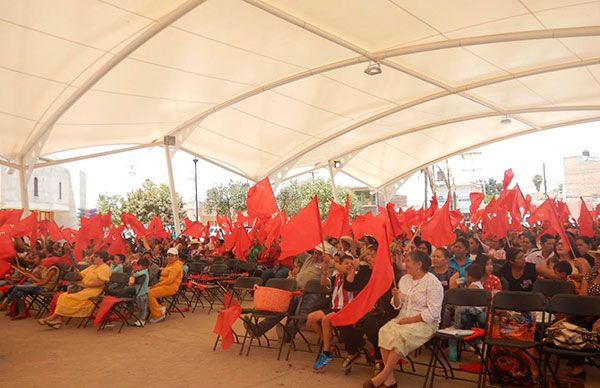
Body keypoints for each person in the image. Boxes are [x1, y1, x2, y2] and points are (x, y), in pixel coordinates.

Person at [364, 251, 444, 388]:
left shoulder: (433, 283)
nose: (405, 264)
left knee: (399, 337)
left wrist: (410, 320)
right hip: (403, 317)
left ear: (419, 264)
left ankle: (382, 376)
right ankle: (390, 381)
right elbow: (398, 305)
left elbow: (433, 313)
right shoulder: (404, 279)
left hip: (424, 322)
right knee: (384, 331)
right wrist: (396, 296)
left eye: (408, 261)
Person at [38, 251, 111, 329]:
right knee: (63, 296)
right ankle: (58, 319)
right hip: (84, 289)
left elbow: (101, 283)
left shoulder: (105, 268)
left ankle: (53, 318)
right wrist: (77, 273)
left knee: (68, 297)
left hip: (93, 291)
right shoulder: (92, 267)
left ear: (102, 258)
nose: (93, 258)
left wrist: (85, 285)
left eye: (96, 256)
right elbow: (80, 277)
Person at [310, 254, 355, 371]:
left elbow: (345, 270)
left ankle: (326, 352)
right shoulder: (337, 276)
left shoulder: (352, 275)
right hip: (334, 307)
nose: (349, 265)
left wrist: (331, 261)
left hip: (345, 309)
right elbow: (323, 283)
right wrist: (324, 271)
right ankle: (330, 342)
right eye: (346, 263)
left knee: (326, 319)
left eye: (351, 263)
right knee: (311, 318)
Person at [0, 253, 59, 319]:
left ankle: (6, 303)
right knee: (18, 293)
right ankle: (22, 313)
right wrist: (32, 279)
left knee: (16, 287)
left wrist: (33, 280)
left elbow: (43, 282)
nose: (44, 261)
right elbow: (40, 280)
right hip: (38, 286)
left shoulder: (53, 270)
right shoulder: (46, 268)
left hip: (44, 288)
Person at [448, 263, 487, 361]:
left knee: (458, 310)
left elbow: (465, 298)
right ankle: (477, 343)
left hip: (475, 309)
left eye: (465, 275)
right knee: (460, 309)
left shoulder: (473, 286)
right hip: (477, 308)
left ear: (469, 276)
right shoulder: (478, 284)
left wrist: (461, 288)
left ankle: (457, 325)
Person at [147, 247, 183, 323]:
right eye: (168, 255)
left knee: (150, 294)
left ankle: (158, 314)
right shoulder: (170, 264)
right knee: (147, 291)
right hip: (164, 285)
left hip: (170, 287)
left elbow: (170, 280)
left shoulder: (176, 266)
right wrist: (159, 268)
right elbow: (165, 270)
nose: (170, 257)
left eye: (172, 255)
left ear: (177, 257)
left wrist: (157, 285)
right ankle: (159, 308)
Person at [129, 257, 150, 326]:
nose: (138, 267)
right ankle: (140, 319)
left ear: (143, 266)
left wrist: (134, 271)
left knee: (143, 307)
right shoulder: (142, 271)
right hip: (140, 293)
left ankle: (142, 320)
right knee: (140, 307)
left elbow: (135, 274)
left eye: (139, 266)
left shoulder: (144, 272)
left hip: (143, 293)